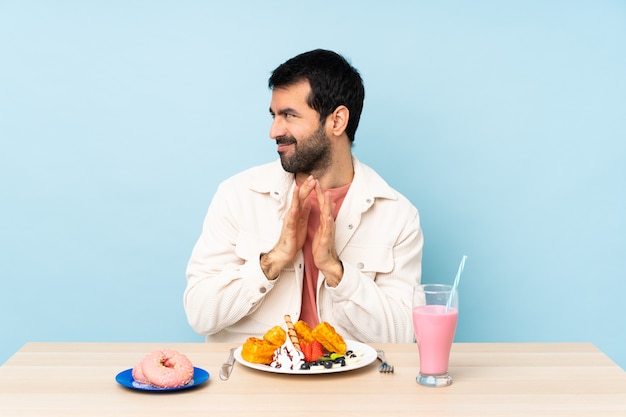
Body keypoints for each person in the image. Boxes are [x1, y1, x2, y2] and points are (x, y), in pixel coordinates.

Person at [184, 49, 423, 344]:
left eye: (289, 115)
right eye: (274, 115)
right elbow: (199, 313)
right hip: (252, 385)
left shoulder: (397, 215)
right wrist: (272, 261)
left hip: (349, 385)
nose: (274, 131)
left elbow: (403, 336)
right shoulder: (238, 195)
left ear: (337, 121)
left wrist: (336, 271)